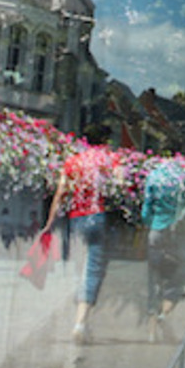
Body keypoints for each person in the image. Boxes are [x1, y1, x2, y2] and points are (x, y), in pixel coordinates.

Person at [43, 142, 120, 344]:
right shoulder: (108, 161)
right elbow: (120, 184)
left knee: (79, 268)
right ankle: (80, 323)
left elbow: (60, 194)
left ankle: (78, 318)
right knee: (93, 269)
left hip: (76, 219)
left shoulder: (72, 162)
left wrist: (49, 222)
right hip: (98, 216)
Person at [141, 159, 185, 343]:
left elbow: (145, 210)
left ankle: (150, 331)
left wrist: (152, 224)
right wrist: (179, 218)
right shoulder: (184, 178)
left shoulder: (153, 177)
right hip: (176, 233)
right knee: (176, 278)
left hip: (156, 232)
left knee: (153, 279)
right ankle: (165, 313)